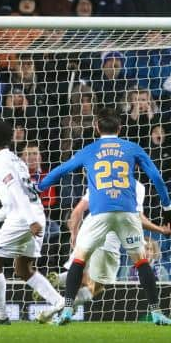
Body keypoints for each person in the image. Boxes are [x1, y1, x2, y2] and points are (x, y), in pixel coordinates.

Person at [36, 107, 171, 325]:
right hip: (127, 212)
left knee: (79, 259)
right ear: (120, 128)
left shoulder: (90, 149)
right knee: (142, 261)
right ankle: (156, 312)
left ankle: (67, 310)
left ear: (96, 127)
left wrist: (40, 186)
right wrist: (167, 208)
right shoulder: (132, 147)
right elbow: (156, 177)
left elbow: (62, 169)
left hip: (99, 213)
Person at [0, 121, 65, 325]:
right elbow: (11, 202)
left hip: (25, 217)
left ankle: (1, 316)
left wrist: (30, 221)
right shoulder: (17, 161)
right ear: (10, 139)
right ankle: (58, 302)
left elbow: (15, 191)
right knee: (23, 268)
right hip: (35, 213)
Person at [48, 181, 171, 315]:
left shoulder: (99, 179)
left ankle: (59, 282)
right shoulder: (137, 187)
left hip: (89, 230)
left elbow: (77, 211)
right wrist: (160, 229)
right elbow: (138, 218)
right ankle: (58, 307)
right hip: (110, 239)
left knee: (80, 272)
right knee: (98, 284)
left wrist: (74, 233)